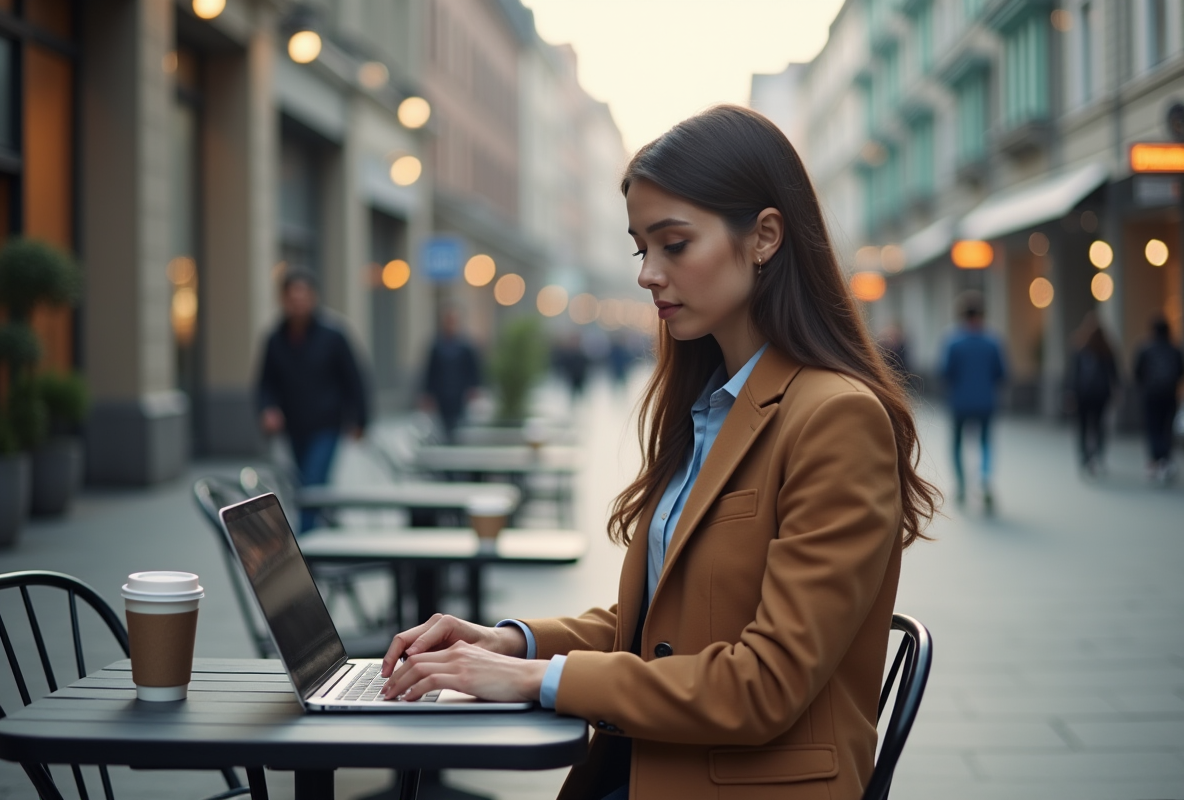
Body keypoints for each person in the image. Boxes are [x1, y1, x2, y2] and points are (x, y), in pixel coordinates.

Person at [377, 106, 938, 800]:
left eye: (674, 244)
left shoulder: (834, 418)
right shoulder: (709, 407)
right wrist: (514, 641)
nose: (648, 274)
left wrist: (537, 681)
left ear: (764, 237)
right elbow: (664, 628)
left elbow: (764, 683)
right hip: (649, 768)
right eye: (641, 248)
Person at [256, 270, 369, 532]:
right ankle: (329, 524)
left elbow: (354, 379)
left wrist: (360, 420)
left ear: (313, 298)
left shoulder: (333, 336)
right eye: (292, 297)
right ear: (283, 299)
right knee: (306, 481)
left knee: (312, 485)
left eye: (303, 296)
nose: (298, 302)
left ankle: (305, 544)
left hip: (327, 425)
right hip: (294, 426)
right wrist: (267, 409)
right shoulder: (275, 339)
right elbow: (265, 383)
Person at [940, 290, 1006, 513]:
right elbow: (1002, 373)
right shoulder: (992, 341)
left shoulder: (953, 341)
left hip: (960, 401)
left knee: (957, 443)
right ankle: (985, 480)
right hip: (986, 401)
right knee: (985, 442)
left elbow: (945, 372)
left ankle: (961, 484)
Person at [1133, 316, 1184, 484]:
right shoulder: (1174, 349)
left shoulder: (1145, 349)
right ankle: (1164, 460)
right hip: (1169, 395)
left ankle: (1157, 459)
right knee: (1166, 428)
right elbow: (1180, 371)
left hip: (1151, 395)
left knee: (1153, 428)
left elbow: (1137, 372)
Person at [1069, 312, 1119, 475]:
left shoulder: (1081, 349)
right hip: (1101, 395)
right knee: (1099, 426)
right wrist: (1117, 392)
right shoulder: (1107, 350)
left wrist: (1071, 393)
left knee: (1083, 427)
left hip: (1083, 395)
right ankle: (1098, 455)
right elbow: (1114, 374)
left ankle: (1085, 457)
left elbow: (1073, 375)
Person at [421, 306, 481, 441]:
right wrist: (427, 393)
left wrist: (473, 388)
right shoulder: (437, 346)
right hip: (441, 393)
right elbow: (430, 371)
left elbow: (472, 370)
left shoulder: (465, 345)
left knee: (459, 423)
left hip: (460, 393)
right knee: (444, 424)